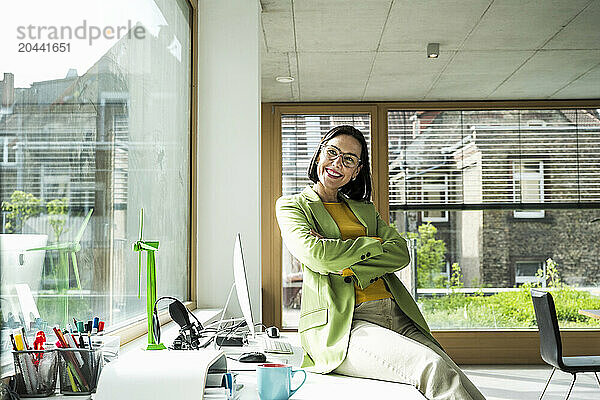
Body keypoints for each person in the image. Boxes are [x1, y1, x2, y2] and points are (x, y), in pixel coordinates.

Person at [275, 125, 485, 400]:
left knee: (453, 372)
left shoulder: (364, 209)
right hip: (347, 324)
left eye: (349, 159)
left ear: (356, 170)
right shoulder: (292, 206)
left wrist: (345, 261)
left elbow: (400, 253)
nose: (337, 163)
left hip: (396, 312)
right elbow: (317, 255)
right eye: (332, 152)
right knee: (432, 369)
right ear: (318, 156)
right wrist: (372, 243)